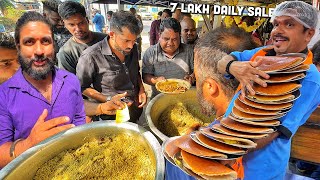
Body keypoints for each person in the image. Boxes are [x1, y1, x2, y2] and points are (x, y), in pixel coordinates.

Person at [217, 1, 320, 179]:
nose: (277, 31)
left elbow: (277, 130)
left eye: (289, 24)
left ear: (308, 34)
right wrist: (233, 66)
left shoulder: (310, 78)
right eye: (276, 24)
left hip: (260, 166)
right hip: (228, 145)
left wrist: (230, 150)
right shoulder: (263, 54)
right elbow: (221, 61)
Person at [165, 26, 258, 180]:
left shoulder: (191, 161)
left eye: (198, 78)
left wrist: (192, 141)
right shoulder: (272, 120)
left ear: (210, 87)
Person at [0, 11, 86, 168]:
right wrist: (29, 143)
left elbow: (80, 121)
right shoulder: (4, 95)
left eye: (45, 41)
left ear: (54, 45)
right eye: (29, 42)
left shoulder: (71, 81)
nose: (39, 51)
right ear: (18, 47)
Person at [76, 11, 147, 123]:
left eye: (134, 40)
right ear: (112, 34)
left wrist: (141, 90)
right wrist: (107, 99)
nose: (131, 45)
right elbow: (82, 88)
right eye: (126, 40)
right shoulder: (90, 57)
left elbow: (136, 71)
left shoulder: (133, 48)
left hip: (134, 108)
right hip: (110, 114)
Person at [143, 17, 195, 98]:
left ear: (180, 36)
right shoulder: (150, 53)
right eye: (166, 39)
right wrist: (156, 80)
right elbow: (145, 77)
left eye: (175, 39)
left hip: (184, 97)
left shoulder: (189, 51)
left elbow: (197, 71)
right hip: (159, 98)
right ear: (159, 35)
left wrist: (192, 77)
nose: (170, 43)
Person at [57, 1, 106, 75]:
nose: (78, 29)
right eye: (71, 25)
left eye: (81, 23)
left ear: (87, 20)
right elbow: (69, 83)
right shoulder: (66, 53)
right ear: (65, 24)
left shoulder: (105, 40)